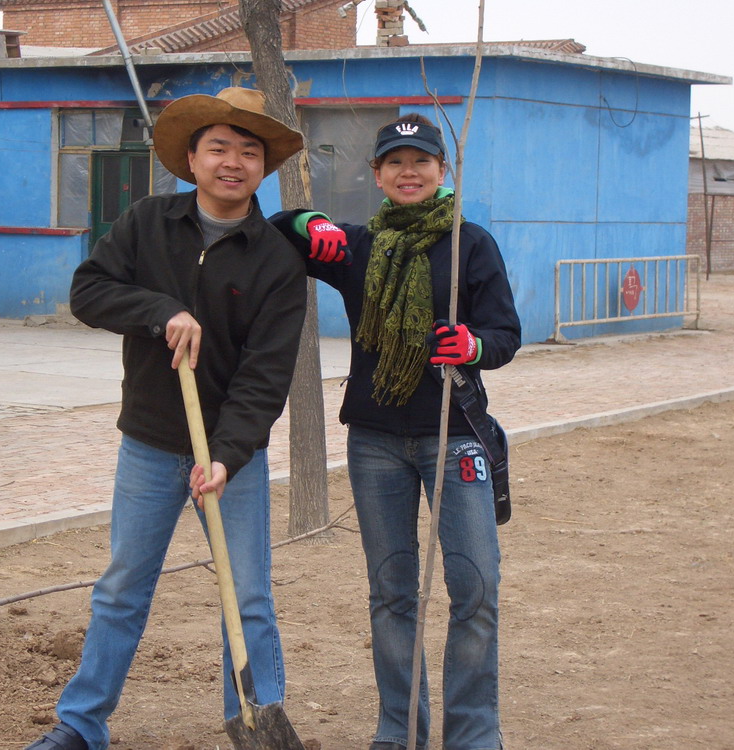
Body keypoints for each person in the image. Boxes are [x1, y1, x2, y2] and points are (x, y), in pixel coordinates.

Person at [24, 87, 307, 750]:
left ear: (263, 167)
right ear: (192, 156)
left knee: (248, 599)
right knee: (122, 588)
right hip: (150, 445)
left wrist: (226, 456)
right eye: (219, 147)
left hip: (231, 455)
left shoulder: (276, 261)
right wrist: (161, 312)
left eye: (248, 151)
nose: (232, 162)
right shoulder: (147, 224)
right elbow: (88, 291)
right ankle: (81, 725)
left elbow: (264, 381)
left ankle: (255, 720)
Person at [273, 113, 521, 750]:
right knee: (391, 593)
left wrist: (470, 344)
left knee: (475, 586)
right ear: (377, 175)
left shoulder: (471, 245)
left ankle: (472, 736)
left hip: (453, 433)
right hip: (375, 440)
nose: (408, 172)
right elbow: (280, 227)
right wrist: (312, 221)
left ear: (443, 171)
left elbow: (505, 336)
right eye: (395, 163)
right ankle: (398, 732)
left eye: (421, 161)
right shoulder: (356, 246)